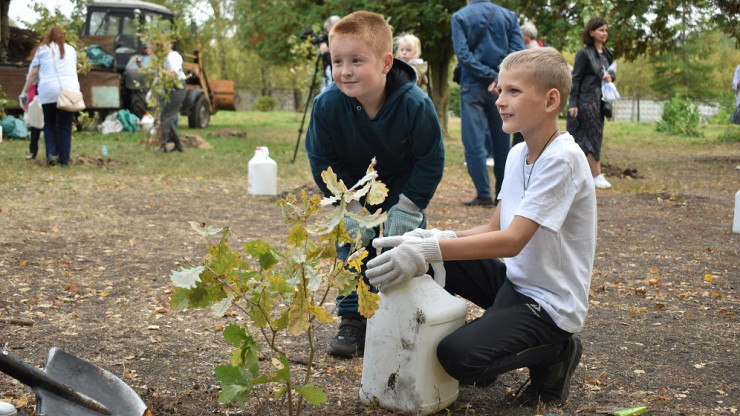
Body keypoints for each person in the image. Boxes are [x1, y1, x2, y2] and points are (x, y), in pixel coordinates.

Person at [366, 47, 596, 407]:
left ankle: (557, 350)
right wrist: (436, 238)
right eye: (500, 90)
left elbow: (513, 241)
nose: (501, 100)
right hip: (515, 285)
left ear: (551, 100)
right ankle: (497, 332)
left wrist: (430, 250)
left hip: (549, 306)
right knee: (439, 258)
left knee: (458, 359)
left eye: (514, 91)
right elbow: (495, 225)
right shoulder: (519, 152)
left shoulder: (563, 158)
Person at [305, 11, 445, 358]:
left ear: (386, 63)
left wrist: (409, 207)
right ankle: (353, 319)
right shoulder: (326, 106)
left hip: (403, 188)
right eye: (337, 61)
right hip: (351, 188)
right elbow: (322, 160)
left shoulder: (415, 105)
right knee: (352, 252)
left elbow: (430, 159)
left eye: (356, 60)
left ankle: (404, 317)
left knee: (405, 251)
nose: (345, 70)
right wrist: (349, 205)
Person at [452, 0, 524, 207]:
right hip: (500, 88)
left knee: (473, 142)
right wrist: (499, 79)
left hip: (472, 86)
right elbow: (517, 53)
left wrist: (489, 76)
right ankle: (502, 194)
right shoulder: (509, 16)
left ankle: (483, 194)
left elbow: (463, 55)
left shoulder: (460, 17)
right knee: (502, 142)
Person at [19, 27, 80, 167]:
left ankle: (51, 154)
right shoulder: (71, 50)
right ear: (62, 37)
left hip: (48, 91)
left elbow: (34, 72)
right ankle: (64, 161)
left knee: (49, 123)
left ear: (48, 37)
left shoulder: (42, 50)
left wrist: (24, 92)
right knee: (65, 126)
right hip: (70, 91)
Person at [566, 17, 615, 189]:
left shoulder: (607, 53)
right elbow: (576, 79)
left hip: (600, 101)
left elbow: (611, 72)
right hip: (585, 101)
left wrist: (611, 77)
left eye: (606, 30)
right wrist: (573, 103)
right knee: (589, 136)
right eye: (601, 30)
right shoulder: (584, 54)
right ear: (591, 32)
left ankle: (583, 174)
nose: (604, 33)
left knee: (596, 135)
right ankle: (596, 174)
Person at [155, 40, 187, 153]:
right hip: (173, 89)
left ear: (170, 44)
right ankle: (178, 145)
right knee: (168, 116)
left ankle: (162, 146)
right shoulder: (169, 56)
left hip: (178, 88)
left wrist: (160, 70)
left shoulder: (171, 57)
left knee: (165, 117)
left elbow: (174, 75)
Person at [319, 15, 341, 93]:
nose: (328, 35)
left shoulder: (343, 41)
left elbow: (337, 63)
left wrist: (325, 53)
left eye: (329, 31)